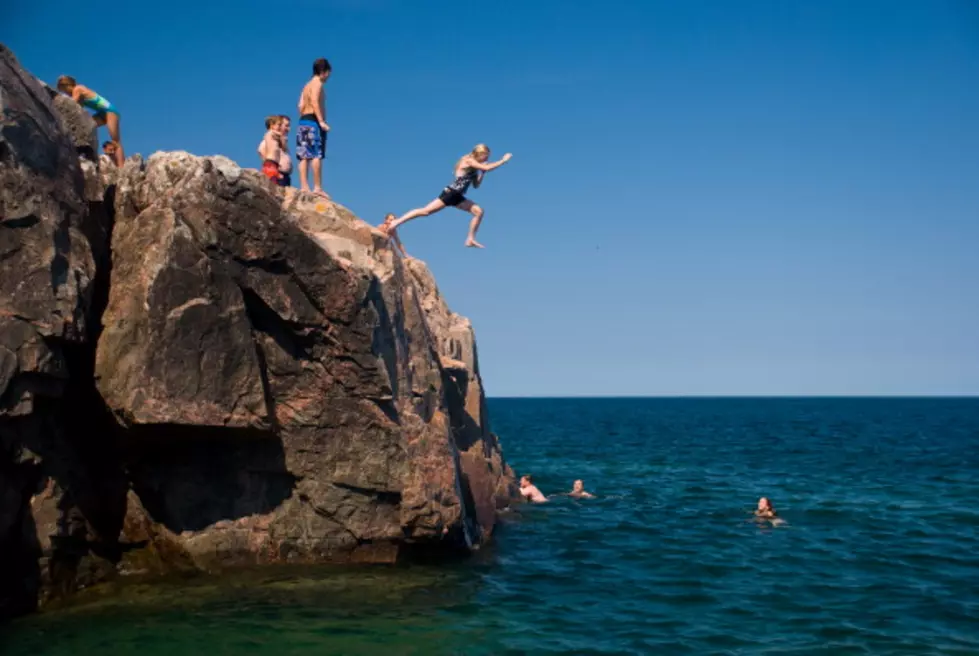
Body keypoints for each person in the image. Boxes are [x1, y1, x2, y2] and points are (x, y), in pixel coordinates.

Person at [383, 144, 512, 249]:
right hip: (450, 193)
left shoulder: (476, 168)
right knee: (425, 211)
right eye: (485, 157)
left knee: (479, 212)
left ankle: (470, 238)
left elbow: (476, 185)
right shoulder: (468, 160)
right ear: (480, 154)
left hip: (458, 197)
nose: (486, 159)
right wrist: (503, 161)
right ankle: (397, 221)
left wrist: (482, 174)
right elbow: (488, 167)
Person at [56, 76, 124, 167]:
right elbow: (79, 111)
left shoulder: (78, 89)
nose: (65, 93)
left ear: (67, 86)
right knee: (88, 127)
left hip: (110, 111)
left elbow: (71, 105)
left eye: (64, 90)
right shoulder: (78, 93)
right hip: (102, 113)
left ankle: (121, 166)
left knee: (116, 141)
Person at [296, 58, 331, 197]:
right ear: (324, 71)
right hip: (314, 121)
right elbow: (315, 101)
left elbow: (299, 105)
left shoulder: (306, 85)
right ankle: (317, 187)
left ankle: (304, 186)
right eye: (328, 73)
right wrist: (321, 121)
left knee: (304, 156)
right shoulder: (317, 83)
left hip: (303, 120)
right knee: (316, 154)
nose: (328, 76)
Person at [258, 115, 285, 183]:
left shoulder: (275, 139)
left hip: (275, 165)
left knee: (275, 184)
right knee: (272, 183)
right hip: (270, 163)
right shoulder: (269, 133)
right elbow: (274, 133)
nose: (280, 127)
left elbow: (283, 147)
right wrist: (281, 134)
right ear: (272, 125)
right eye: (279, 125)